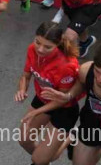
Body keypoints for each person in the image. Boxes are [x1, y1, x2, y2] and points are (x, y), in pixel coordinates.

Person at [15, 22, 80, 165]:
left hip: (64, 108)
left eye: (47, 47)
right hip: (43, 98)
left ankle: (71, 136)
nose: (40, 49)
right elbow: (26, 75)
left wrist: (35, 112)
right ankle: (41, 158)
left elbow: (61, 100)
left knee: (40, 159)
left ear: (58, 44)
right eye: (37, 42)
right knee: (24, 140)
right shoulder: (32, 49)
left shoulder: (67, 65)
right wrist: (22, 89)